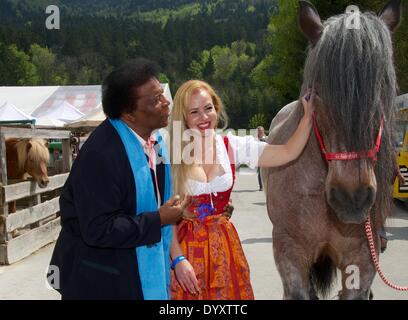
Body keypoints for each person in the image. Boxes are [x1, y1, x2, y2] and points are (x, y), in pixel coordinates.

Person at [47, 59, 186, 300]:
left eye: (162, 94)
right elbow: (98, 229)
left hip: (133, 272)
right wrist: (159, 219)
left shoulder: (156, 143)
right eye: (155, 100)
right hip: (101, 280)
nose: (166, 103)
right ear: (129, 114)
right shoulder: (101, 154)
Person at [169, 80, 315, 300]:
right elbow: (167, 217)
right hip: (185, 250)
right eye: (194, 112)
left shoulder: (232, 146)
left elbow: (287, 151)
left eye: (208, 108)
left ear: (216, 108)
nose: (204, 117)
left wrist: (307, 117)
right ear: (184, 117)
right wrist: (178, 260)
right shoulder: (171, 155)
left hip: (224, 248)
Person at [256, 126, 267, 191]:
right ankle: (261, 186)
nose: (260, 132)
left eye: (261, 131)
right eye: (259, 131)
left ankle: (266, 185)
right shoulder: (255, 139)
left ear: (263, 131)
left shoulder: (267, 137)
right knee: (260, 172)